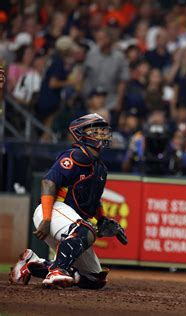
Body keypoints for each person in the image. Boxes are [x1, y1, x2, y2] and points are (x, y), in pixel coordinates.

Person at [9, 113, 127, 289]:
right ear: (81, 133)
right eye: (97, 129)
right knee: (85, 231)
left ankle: (31, 264)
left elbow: (92, 199)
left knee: (94, 279)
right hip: (51, 212)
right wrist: (47, 219)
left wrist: (102, 219)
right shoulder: (75, 155)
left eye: (103, 129)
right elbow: (48, 182)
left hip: (71, 224)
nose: (103, 132)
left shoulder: (100, 167)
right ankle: (57, 270)